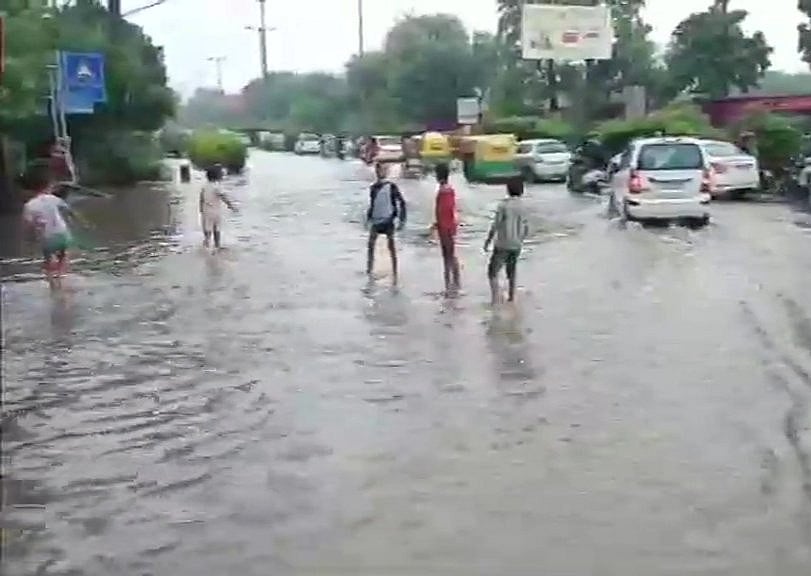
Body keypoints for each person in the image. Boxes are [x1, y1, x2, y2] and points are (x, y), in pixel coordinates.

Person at [21, 160, 86, 290]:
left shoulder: (29, 205)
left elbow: (28, 224)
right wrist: (84, 222)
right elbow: (70, 212)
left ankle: (52, 284)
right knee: (63, 256)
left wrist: (30, 239)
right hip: (62, 234)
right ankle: (62, 278)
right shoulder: (55, 199)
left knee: (48, 260)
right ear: (49, 186)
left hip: (47, 238)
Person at [483, 177, 529, 305]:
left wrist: (488, 241)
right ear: (521, 191)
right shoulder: (523, 206)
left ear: (508, 190)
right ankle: (511, 298)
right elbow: (526, 227)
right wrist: (521, 240)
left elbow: (496, 225)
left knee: (492, 272)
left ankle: (495, 299)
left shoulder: (504, 205)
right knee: (512, 271)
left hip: (503, 243)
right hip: (516, 245)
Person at [366, 162, 406, 284]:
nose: (379, 172)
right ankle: (369, 271)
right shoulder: (373, 188)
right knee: (371, 245)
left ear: (385, 172)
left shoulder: (391, 187)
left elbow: (402, 202)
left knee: (391, 247)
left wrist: (402, 220)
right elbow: (373, 205)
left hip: (388, 221)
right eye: (378, 170)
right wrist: (368, 218)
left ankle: (395, 273)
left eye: (382, 170)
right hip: (377, 221)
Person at [430, 163, 461, 294]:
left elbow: (442, 210)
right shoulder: (449, 190)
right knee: (450, 254)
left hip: (445, 227)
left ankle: (450, 283)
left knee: (447, 255)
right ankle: (453, 282)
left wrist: (438, 224)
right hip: (449, 225)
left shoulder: (443, 191)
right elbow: (450, 210)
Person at [199, 165, 237, 252]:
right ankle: (217, 245)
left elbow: (201, 198)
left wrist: (200, 209)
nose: (222, 175)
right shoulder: (217, 186)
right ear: (217, 176)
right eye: (221, 174)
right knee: (217, 229)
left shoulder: (205, 186)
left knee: (207, 228)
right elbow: (223, 196)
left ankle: (206, 244)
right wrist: (231, 206)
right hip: (215, 211)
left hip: (206, 210)